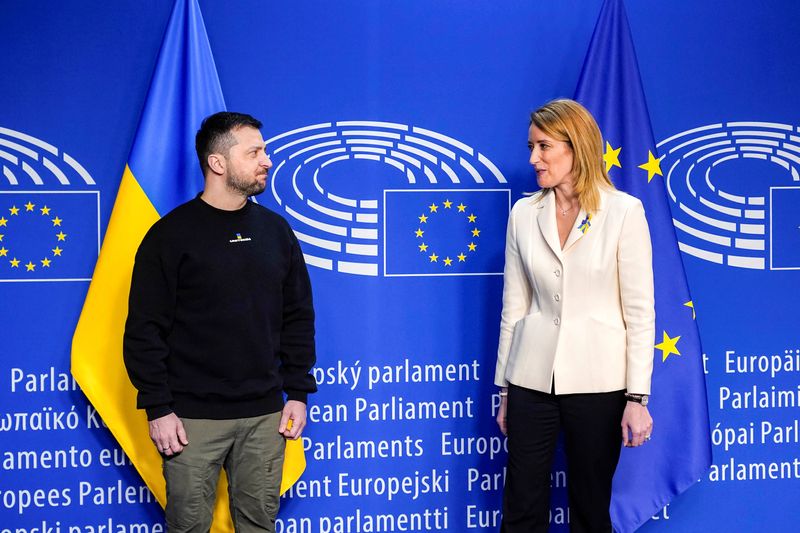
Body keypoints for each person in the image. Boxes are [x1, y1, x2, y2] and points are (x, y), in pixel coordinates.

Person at [123, 111, 317, 532]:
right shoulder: (169, 236)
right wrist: (158, 407)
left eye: (263, 151)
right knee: (189, 527)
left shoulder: (276, 232)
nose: (267, 160)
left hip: (266, 417)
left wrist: (298, 392)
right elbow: (144, 329)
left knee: (258, 526)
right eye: (255, 152)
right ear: (218, 163)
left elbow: (298, 316)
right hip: (189, 421)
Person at [494, 99, 655, 533]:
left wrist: (637, 399)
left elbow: (640, 313)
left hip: (599, 383)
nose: (533, 159)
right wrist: (505, 388)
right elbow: (515, 305)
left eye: (544, 147)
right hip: (530, 381)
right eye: (531, 146)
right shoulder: (523, 214)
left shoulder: (623, 212)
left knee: (590, 507)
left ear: (576, 147)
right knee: (521, 507)